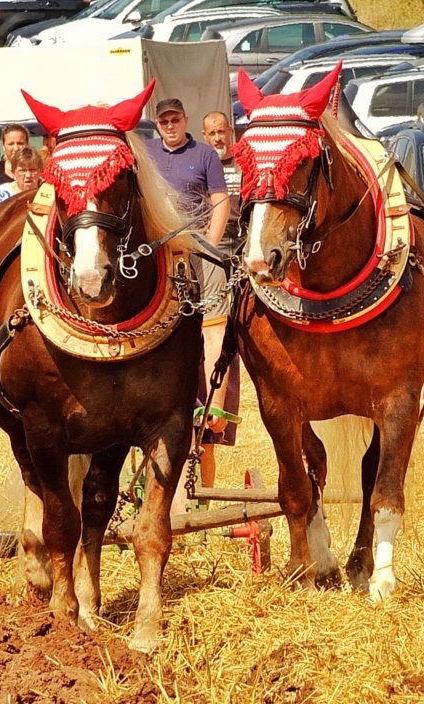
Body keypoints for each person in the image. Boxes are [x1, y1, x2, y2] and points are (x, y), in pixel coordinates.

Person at [147, 98, 230, 511]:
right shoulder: (146, 152)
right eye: (163, 120)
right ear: (157, 124)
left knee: (215, 325)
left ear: (185, 121)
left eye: (175, 119)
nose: (170, 125)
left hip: (197, 248)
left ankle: (214, 403)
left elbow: (220, 202)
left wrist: (209, 248)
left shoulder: (205, 155)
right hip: (158, 253)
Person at [194, 110, 245, 500]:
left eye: (221, 131)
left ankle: (216, 409)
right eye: (210, 133)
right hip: (205, 260)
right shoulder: (199, 165)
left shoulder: (243, 164)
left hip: (240, 259)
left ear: (231, 133)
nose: (216, 138)